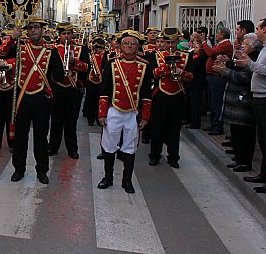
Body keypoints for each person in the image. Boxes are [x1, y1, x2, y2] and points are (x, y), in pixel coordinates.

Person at [0, 16, 64, 184]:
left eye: (37, 27)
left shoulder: (51, 51)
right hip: (22, 97)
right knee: (20, 137)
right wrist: (12, 38)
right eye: (31, 28)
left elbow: (58, 76)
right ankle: (19, 169)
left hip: (41, 99)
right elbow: (1, 53)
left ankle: (42, 170)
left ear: (43, 30)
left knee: (41, 137)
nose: (33, 30)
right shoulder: (20, 46)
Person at [97, 30, 152, 194]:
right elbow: (104, 90)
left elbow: (146, 94)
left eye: (133, 43)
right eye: (126, 43)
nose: (129, 46)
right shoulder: (112, 64)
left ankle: (127, 180)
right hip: (114, 110)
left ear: (138, 47)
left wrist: (145, 117)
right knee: (109, 146)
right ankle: (108, 177)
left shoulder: (144, 66)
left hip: (132, 113)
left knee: (130, 147)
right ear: (120, 46)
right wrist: (102, 113)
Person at [214, 33, 261, 172]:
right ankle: (239, 158)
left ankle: (245, 161)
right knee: (236, 131)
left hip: (243, 100)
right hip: (235, 100)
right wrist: (227, 63)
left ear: (253, 46)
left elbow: (244, 77)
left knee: (244, 133)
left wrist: (224, 71)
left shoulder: (253, 58)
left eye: (245, 44)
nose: (242, 46)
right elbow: (235, 69)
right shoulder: (243, 57)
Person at [148, 28, 194, 168]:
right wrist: (166, 68)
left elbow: (191, 77)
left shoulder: (186, 56)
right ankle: (155, 155)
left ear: (177, 42)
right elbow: (152, 74)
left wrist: (182, 73)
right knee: (157, 126)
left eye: (172, 42)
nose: (169, 45)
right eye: (167, 42)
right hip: (160, 95)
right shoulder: (155, 56)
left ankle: (173, 157)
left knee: (174, 128)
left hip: (178, 95)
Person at [234, 18, 266, 192]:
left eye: (260, 27)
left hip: (263, 97)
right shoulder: (264, 49)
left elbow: (263, 69)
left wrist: (250, 64)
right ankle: (263, 174)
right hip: (258, 96)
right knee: (261, 138)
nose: (257, 30)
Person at [49, 22, 89, 159]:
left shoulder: (80, 49)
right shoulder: (53, 49)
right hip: (57, 88)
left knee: (71, 120)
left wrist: (74, 62)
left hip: (73, 88)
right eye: (63, 34)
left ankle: (72, 148)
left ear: (72, 34)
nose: (66, 36)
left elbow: (86, 68)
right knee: (55, 120)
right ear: (59, 35)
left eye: (68, 33)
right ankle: (53, 146)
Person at [197, 27, 233, 135]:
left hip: (217, 77)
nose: (216, 35)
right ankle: (213, 123)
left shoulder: (225, 45)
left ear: (222, 35)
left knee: (216, 101)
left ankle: (217, 125)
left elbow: (211, 53)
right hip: (211, 76)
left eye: (218, 34)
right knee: (212, 101)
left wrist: (203, 42)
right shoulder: (220, 44)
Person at [83, 36, 107, 126]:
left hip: (101, 80)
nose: (98, 49)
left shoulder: (105, 55)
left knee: (99, 100)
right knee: (90, 100)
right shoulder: (90, 55)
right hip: (91, 79)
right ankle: (90, 118)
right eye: (97, 47)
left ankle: (98, 117)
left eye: (100, 47)